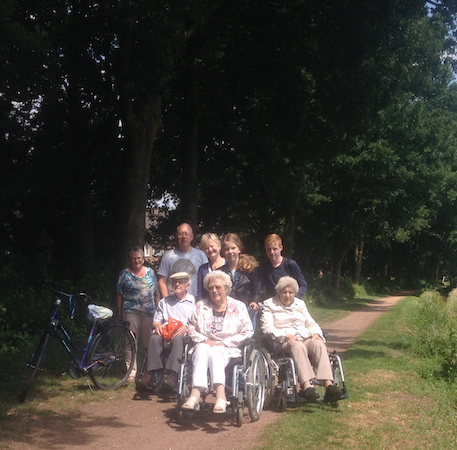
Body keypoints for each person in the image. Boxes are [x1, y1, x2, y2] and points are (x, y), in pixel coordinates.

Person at [260, 276, 343, 403]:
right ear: (278, 292)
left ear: (294, 293)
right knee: (298, 346)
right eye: (284, 292)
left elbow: (311, 323)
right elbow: (267, 328)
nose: (287, 295)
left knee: (318, 344)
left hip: (304, 338)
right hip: (283, 341)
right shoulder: (269, 304)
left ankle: (329, 386)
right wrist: (286, 335)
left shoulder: (300, 304)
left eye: (290, 292)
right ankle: (306, 387)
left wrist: (316, 334)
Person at [182, 270, 254, 413]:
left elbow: (248, 331)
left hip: (228, 348)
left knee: (215, 351)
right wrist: (204, 340)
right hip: (203, 344)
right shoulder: (201, 305)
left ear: (226, 288)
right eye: (211, 287)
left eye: (218, 287)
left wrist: (225, 343)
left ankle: (220, 396)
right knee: (203, 349)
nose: (214, 290)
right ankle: (195, 395)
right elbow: (190, 327)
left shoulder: (238, 306)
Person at [138, 272, 195, 392]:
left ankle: (172, 375)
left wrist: (186, 327)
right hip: (165, 333)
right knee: (154, 338)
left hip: (182, 335)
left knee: (178, 339)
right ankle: (152, 374)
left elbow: (196, 323)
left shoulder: (193, 302)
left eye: (180, 282)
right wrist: (158, 325)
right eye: (174, 282)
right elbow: (156, 320)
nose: (177, 284)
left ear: (187, 285)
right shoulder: (165, 301)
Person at [116, 247, 160, 381]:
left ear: (143, 259)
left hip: (149, 313)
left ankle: (148, 370)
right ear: (130, 260)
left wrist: (160, 312)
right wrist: (119, 314)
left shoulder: (151, 272)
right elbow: (119, 294)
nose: (136, 260)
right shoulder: (124, 274)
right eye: (134, 258)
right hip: (130, 312)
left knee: (150, 342)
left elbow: (156, 293)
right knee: (130, 342)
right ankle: (132, 371)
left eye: (139, 258)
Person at [157, 223, 207, 298]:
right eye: (181, 234)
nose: (184, 237)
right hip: (173, 302)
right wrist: (166, 302)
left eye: (187, 234)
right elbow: (162, 282)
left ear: (192, 237)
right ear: (176, 236)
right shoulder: (168, 256)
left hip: (196, 301)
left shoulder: (201, 255)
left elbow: (207, 279)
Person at [219, 233, 261, 311]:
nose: (230, 251)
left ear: (239, 249)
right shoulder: (219, 272)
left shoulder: (249, 269)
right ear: (223, 252)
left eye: (233, 248)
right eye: (227, 249)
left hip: (246, 309)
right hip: (226, 310)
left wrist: (254, 302)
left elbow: (255, 291)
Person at [258, 233, 307, 300]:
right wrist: (255, 300)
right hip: (272, 304)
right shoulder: (264, 267)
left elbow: (303, 285)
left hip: (289, 302)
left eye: (274, 249)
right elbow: (259, 288)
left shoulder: (290, 264)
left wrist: (294, 298)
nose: (272, 252)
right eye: (269, 249)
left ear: (281, 248)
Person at [196, 233, 225, 300]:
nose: (210, 249)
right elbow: (200, 293)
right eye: (206, 248)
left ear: (219, 246)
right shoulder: (202, 269)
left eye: (212, 246)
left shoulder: (228, 263)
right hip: (209, 305)